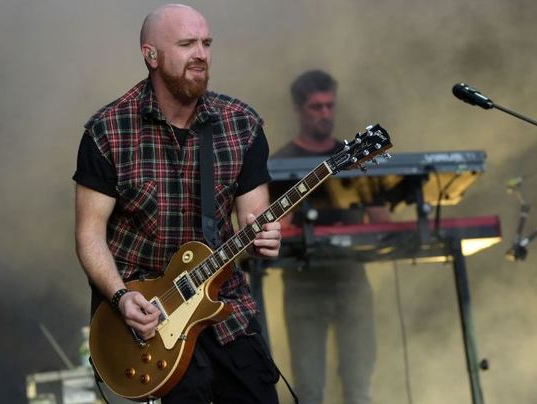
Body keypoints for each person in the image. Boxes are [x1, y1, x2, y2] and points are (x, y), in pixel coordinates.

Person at [72, 4, 282, 403]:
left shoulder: (241, 124)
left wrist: (265, 241)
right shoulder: (108, 131)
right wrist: (120, 296)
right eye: (186, 44)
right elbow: (89, 236)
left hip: (224, 309)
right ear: (151, 55)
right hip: (147, 319)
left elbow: (255, 225)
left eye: (206, 43)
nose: (200, 54)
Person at [273, 70, 388, 404]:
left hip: (351, 277)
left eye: (329, 106)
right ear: (299, 110)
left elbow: (381, 220)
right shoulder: (281, 163)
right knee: (308, 389)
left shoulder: (354, 155)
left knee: (359, 386)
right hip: (302, 283)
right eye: (316, 107)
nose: (325, 114)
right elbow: (274, 229)